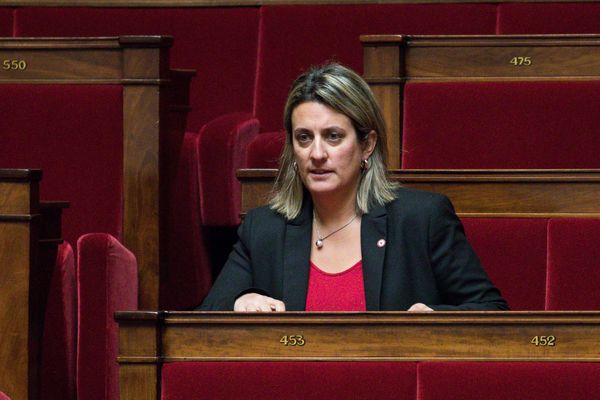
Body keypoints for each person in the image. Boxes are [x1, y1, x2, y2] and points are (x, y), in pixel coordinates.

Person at [198, 63, 508, 312]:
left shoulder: (422, 219)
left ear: (367, 145)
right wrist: (239, 303)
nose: (317, 154)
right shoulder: (263, 229)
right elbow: (204, 319)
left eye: (333, 136)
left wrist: (434, 321)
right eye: (304, 138)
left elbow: (491, 310)